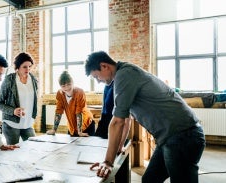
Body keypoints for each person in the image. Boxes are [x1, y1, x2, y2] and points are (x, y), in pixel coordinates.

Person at [85, 51, 206, 183]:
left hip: (183, 136)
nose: (98, 82)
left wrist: (108, 161)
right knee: (150, 179)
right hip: (170, 137)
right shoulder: (124, 74)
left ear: (104, 66)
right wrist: (118, 147)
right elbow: (125, 119)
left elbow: (117, 122)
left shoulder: (124, 75)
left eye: (97, 77)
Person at [0, 52, 38, 145]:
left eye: (29, 66)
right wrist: (13, 111)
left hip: (28, 124)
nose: (28, 69)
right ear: (18, 67)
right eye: (24, 67)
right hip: (11, 124)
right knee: (13, 154)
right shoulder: (9, 80)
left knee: (33, 149)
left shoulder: (34, 80)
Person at [46, 71, 95, 137]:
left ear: (73, 83)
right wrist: (54, 130)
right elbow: (58, 112)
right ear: (60, 86)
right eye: (63, 86)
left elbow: (79, 113)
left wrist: (80, 132)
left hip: (86, 124)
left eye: (69, 85)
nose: (66, 88)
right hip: (72, 126)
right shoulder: (60, 94)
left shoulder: (79, 92)